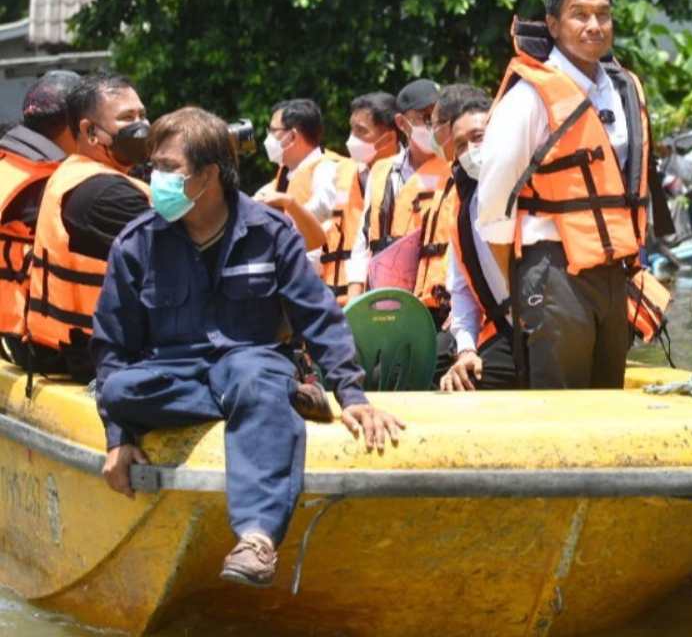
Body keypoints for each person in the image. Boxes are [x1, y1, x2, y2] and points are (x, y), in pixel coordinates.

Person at [93, 107, 404, 588]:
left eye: (170, 169)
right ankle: (269, 405)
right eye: (154, 167)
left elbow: (319, 316)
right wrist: (120, 438)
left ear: (210, 174)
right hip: (175, 373)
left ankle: (257, 539)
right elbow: (113, 346)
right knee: (116, 392)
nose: (157, 180)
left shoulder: (270, 233)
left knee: (254, 380)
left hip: (251, 361)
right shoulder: (138, 243)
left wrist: (352, 396)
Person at [476, 0, 654, 389]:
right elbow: (493, 207)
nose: (594, 25)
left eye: (603, 15)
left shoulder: (622, 88)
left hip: (613, 272)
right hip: (552, 270)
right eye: (579, 14)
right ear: (553, 26)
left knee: (606, 401)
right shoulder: (529, 98)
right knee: (561, 408)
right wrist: (519, 287)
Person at [27, 71, 151, 382]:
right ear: (91, 132)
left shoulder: (77, 172)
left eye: (142, 114)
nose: (142, 126)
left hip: (88, 347)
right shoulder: (105, 194)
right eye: (127, 118)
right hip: (105, 357)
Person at [0, 71, 80, 369]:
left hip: (15, 333)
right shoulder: (51, 188)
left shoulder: (11, 166)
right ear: (78, 126)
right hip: (48, 346)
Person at [440, 95, 519, 392]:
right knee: (460, 383)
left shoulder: (532, 186)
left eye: (479, 137)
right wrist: (466, 349)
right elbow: (461, 288)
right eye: (460, 145)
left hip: (552, 324)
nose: (470, 150)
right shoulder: (463, 206)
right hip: (508, 330)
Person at [254, 99, 367, 304]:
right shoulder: (285, 176)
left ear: (293, 135)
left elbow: (323, 211)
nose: (269, 138)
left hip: (323, 287)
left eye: (273, 131)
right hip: (293, 285)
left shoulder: (327, 169)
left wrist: (289, 206)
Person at [361, 80, 456, 324]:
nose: (432, 124)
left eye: (439, 116)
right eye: (424, 116)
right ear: (402, 123)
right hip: (385, 304)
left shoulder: (457, 167)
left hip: (440, 306)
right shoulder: (382, 172)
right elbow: (361, 246)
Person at [346, 92, 400, 191]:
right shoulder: (342, 173)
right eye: (351, 129)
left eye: (360, 130)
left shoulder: (413, 173)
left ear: (389, 138)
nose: (352, 138)